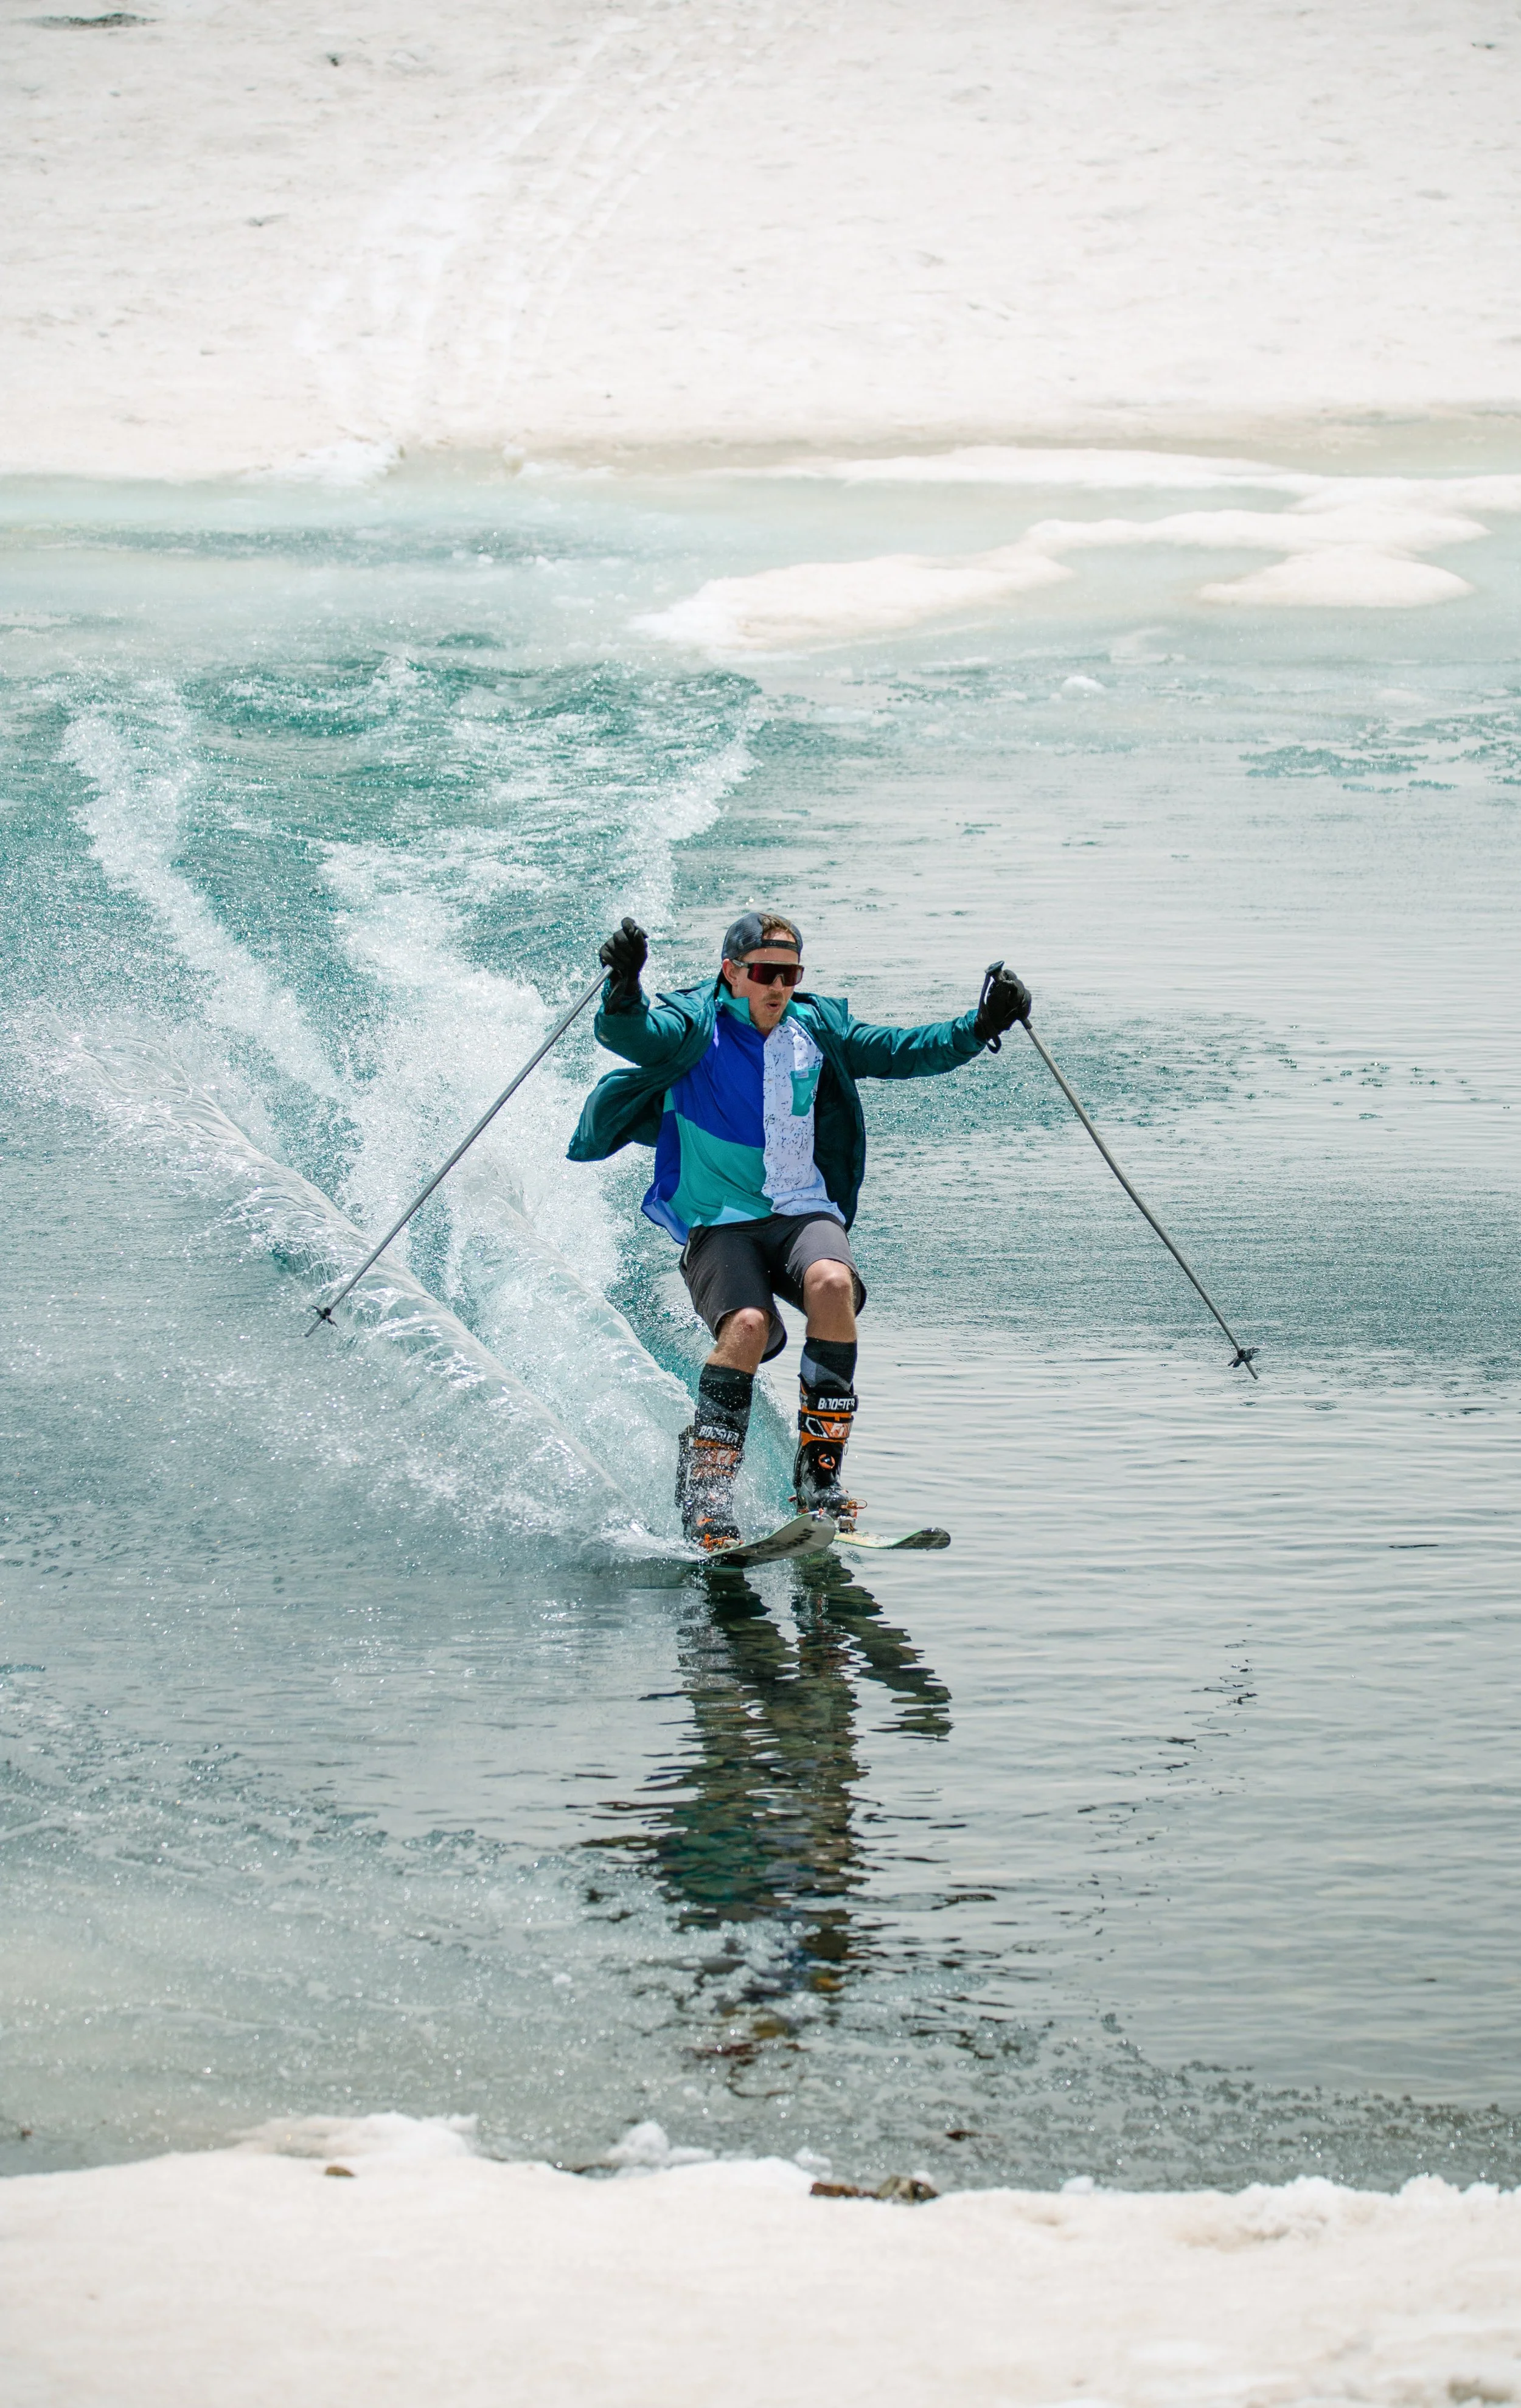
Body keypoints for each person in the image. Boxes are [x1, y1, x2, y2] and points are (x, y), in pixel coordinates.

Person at [568, 911, 1031, 1549]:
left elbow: (901, 1050)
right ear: (731, 972)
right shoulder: (692, 1024)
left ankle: (819, 1480)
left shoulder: (816, 1028)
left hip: (801, 1209)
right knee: (748, 1327)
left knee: (833, 1282)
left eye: (790, 974)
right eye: (764, 974)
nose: (778, 987)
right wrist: (624, 984)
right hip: (720, 1221)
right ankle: (705, 1488)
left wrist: (980, 1025)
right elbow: (634, 1034)